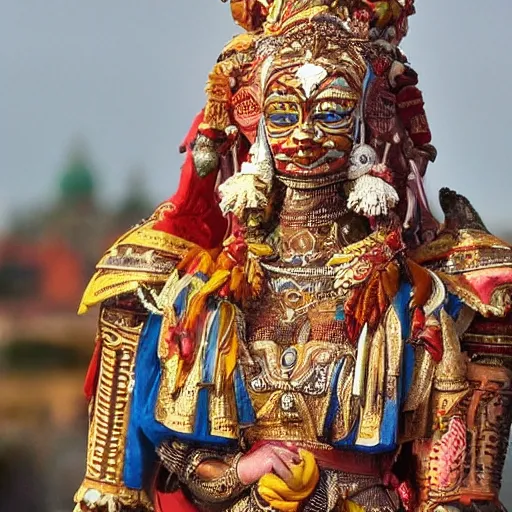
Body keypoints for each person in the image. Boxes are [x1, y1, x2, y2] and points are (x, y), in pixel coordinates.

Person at [73, 2, 512, 511]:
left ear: (368, 119)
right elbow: (180, 459)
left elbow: (456, 494)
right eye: (284, 113)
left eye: (329, 111)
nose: (304, 134)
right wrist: (243, 468)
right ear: (255, 120)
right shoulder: (208, 294)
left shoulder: (415, 297)